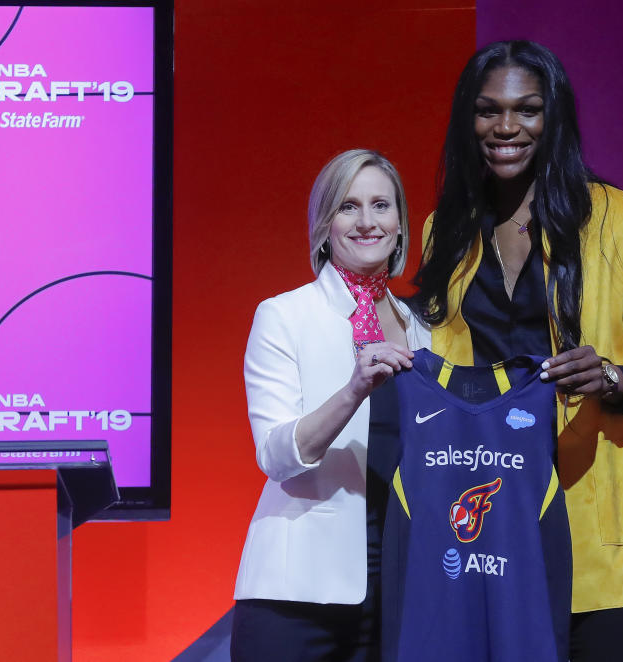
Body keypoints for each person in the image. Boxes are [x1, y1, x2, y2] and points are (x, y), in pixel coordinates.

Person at [411, 41, 623, 661]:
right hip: (492, 516)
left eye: (527, 109)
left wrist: (613, 378)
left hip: (600, 519)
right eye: (488, 111)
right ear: (468, 120)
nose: (506, 127)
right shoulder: (444, 230)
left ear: (554, 116)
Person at [231, 149, 430, 662]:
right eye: (348, 207)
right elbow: (276, 457)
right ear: (324, 226)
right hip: (296, 594)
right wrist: (353, 390)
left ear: (401, 224)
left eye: (381, 205)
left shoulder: (422, 330)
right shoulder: (283, 316)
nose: (367, 222)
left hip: (398, 588)